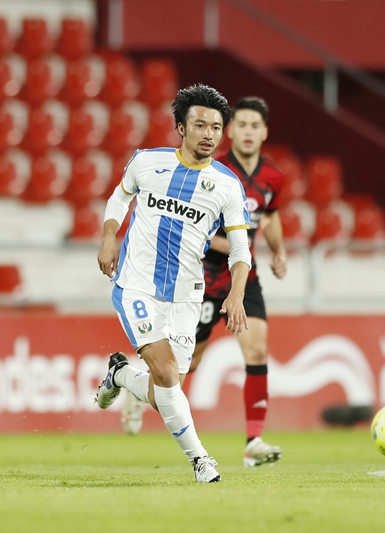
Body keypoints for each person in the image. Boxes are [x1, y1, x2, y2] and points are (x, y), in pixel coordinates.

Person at [95, 84, 252, 483]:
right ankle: (201, 461)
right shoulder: (147, 163)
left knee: (165, 387)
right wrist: (109, 236)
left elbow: (240, 250)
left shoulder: (228, 186)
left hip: (186, 296)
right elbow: (119, 197)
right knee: (165, 373)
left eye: (216, 127)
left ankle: (119, 376)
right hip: (136, 286)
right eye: (200, 125)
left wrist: (236, 294)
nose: (209, 134)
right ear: (181, 127)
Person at [119, 97, 288, 468]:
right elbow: (188, 227)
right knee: (182, 369)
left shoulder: (272, 177)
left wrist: (277, 251)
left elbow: (270, 218)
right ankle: (134, 383)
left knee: (257, 350)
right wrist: (226, 242)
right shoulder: (214, 169)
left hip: (243, 277)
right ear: (232, 131)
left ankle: (253, 440)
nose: (246, 132)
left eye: (253, 126)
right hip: (202, 280)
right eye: (240, 125)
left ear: (263, 132)